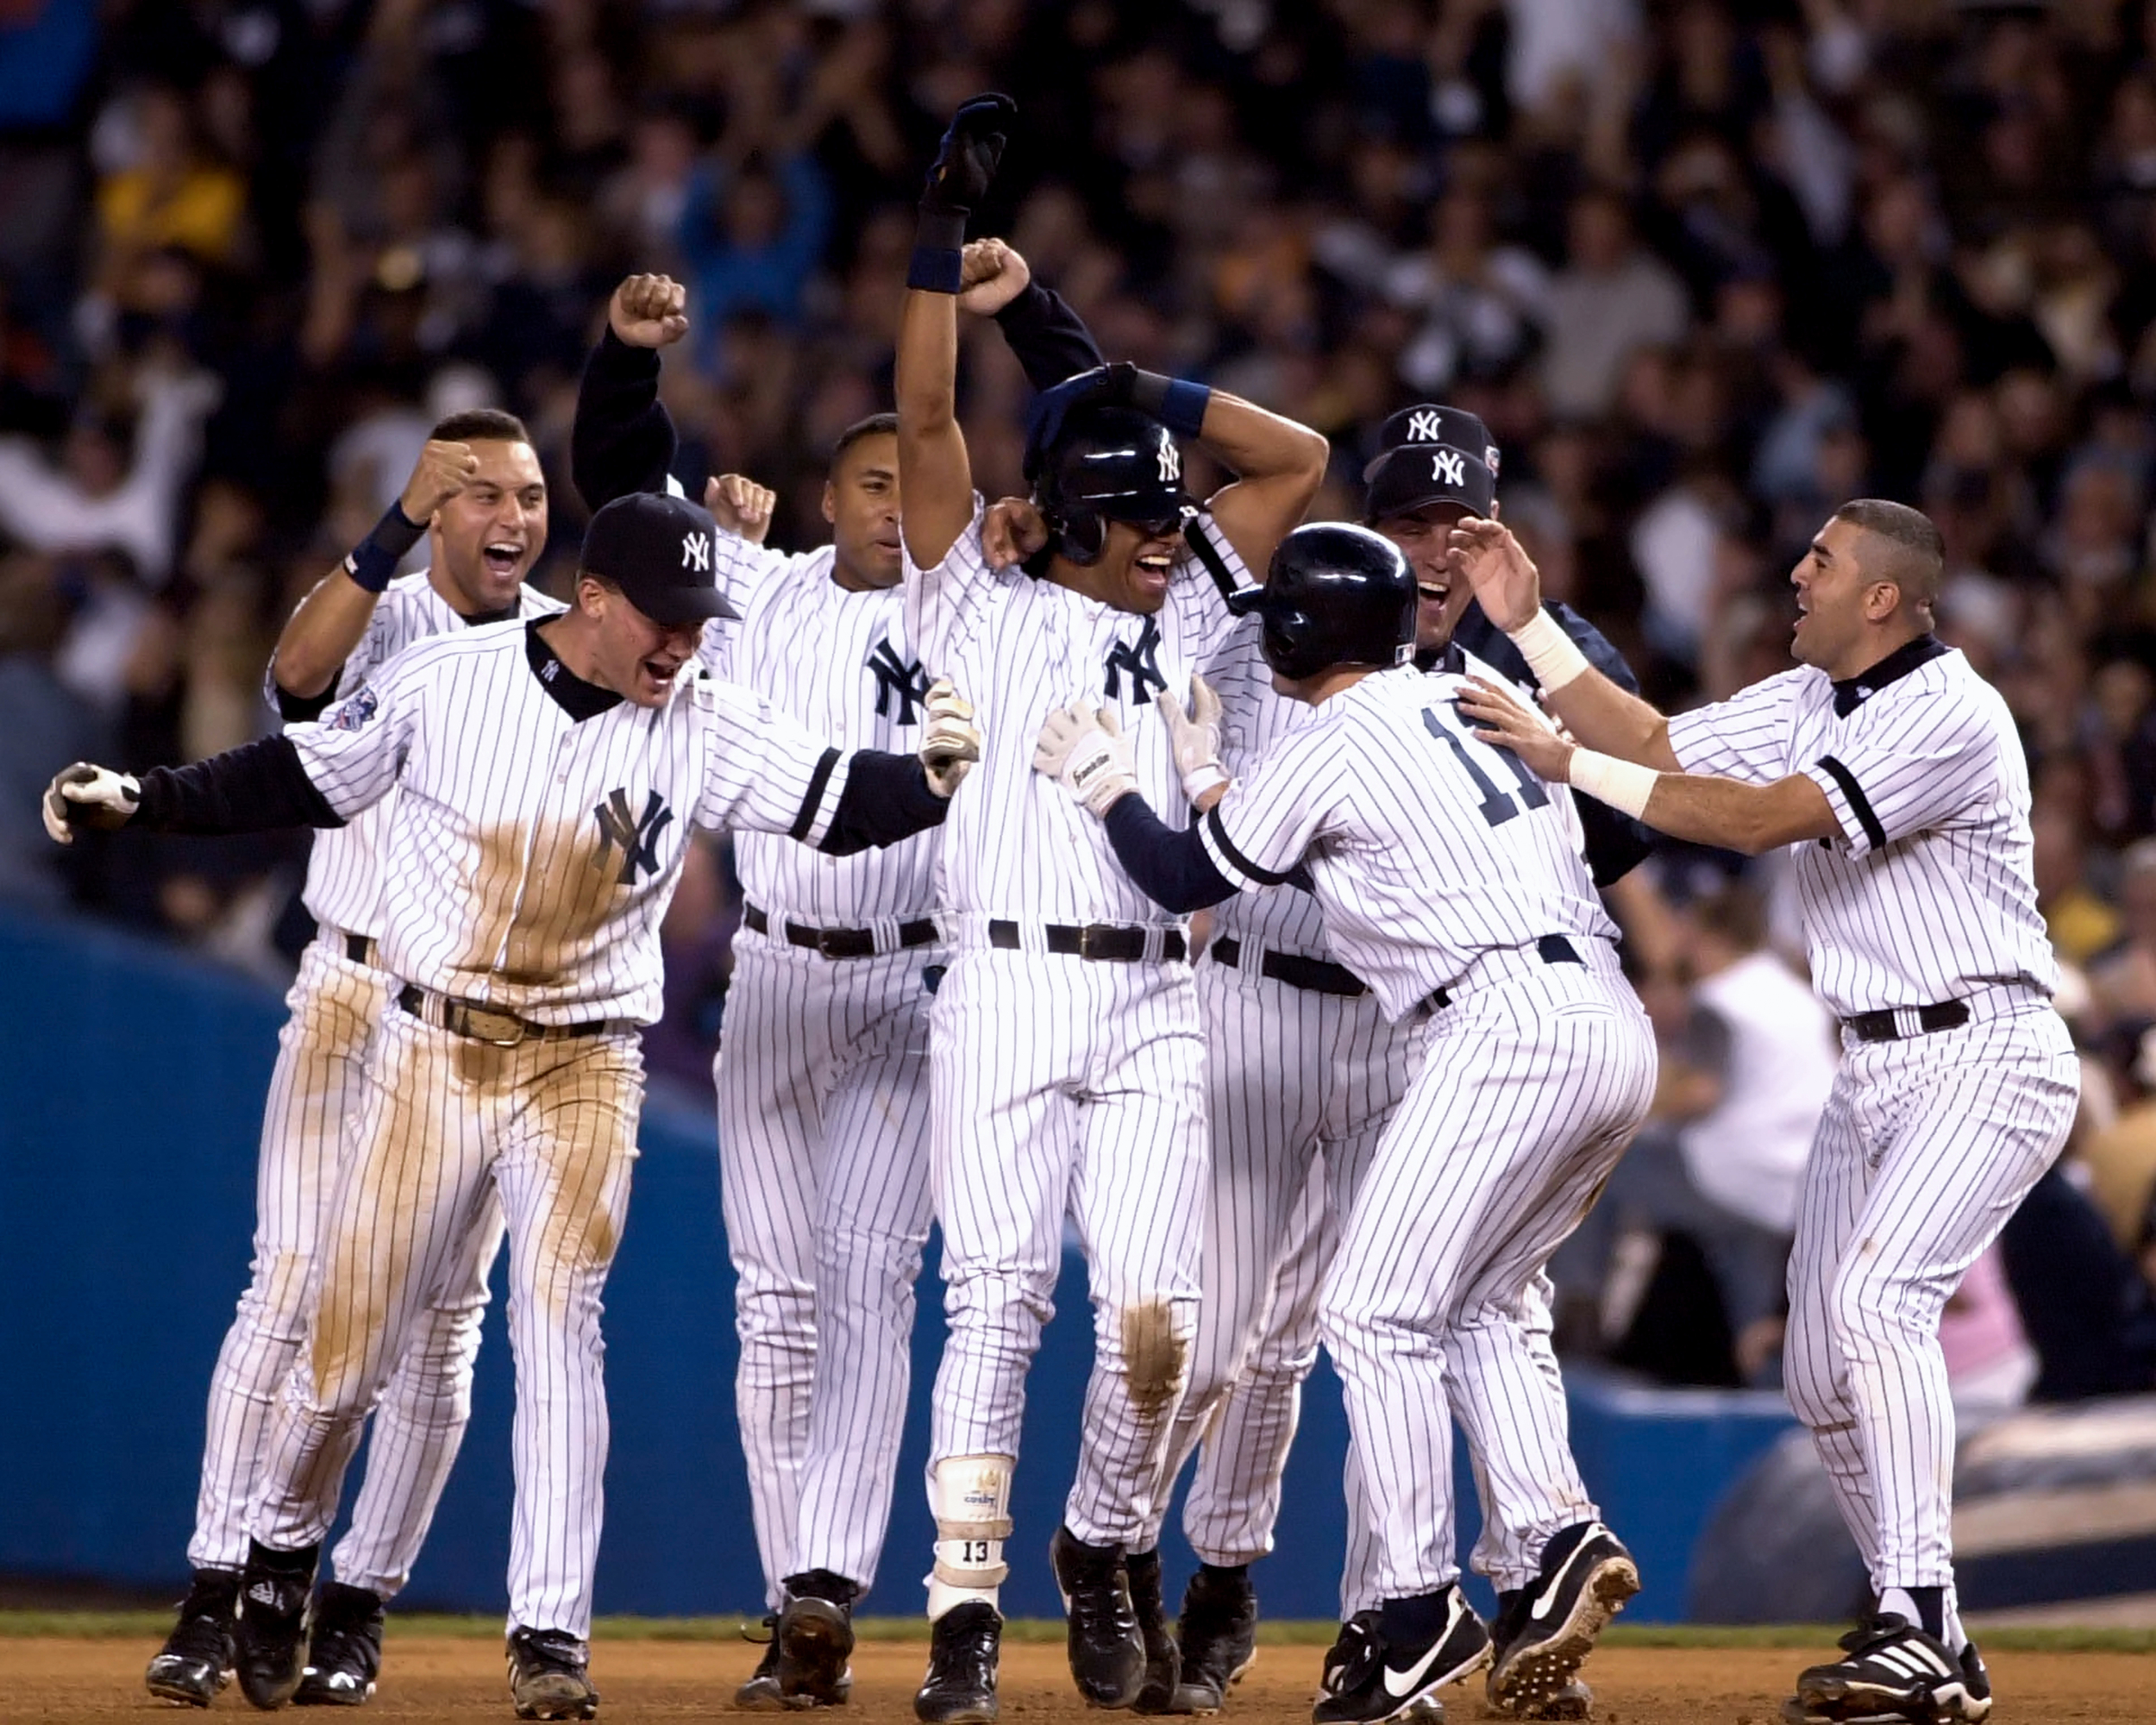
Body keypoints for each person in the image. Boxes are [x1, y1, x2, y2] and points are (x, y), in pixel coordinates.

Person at [43, 489, 982, 1722]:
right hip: (430, 1055)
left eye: (700, 621)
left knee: (560, 1337)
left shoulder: (699, 713)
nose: (684, 643)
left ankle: (551, 1636)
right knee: (343, 1361)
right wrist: (151, 795)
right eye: (664, 617)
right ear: (594, 600)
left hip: (586, 1064)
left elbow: (834, 799)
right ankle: (277, 1562)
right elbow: (304, 772)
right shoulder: (451, 682)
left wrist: (931, 777)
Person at [568, 258, 1105, 1710]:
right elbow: (622, 491)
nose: (888, 501)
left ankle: (823, 1591)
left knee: (870, 1292)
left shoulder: (973, 599)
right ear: (822, 501)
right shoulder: (755, 593)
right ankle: (789, 1596)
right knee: (773, 1307)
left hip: (911, 992)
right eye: (864, 481)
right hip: (775, 979)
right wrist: (628, 363)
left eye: (902, 480)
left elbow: (1048, 468)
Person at [1456, 499, 2078, 1725]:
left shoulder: (1950, 710)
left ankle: (1922, 1622)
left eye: (1823, 562)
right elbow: (1667, 747)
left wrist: (1564, 762)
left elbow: (1754, 820)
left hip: (1986, 1048)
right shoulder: (1806, 698)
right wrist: (1530, 630)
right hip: (1872, 1065)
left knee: (1873, 1303)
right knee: (1813, 1368)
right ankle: (1919, 1620)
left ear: (1884, 599)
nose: (1797, 573)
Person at [1034, 520, 1655, 1724]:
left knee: (1373, 1313)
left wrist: (1113, 786)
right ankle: (1553, 1537)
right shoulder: (1468, 687)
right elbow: (1385, 857)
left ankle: (1415, 1608)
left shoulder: (1329, 738)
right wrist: (1223, 787)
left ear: (1306, 630)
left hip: (1497, 1025)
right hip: (1605, 1017)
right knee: (1474, 1303)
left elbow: (1179, 876)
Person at [893, 95, 1326, 1723]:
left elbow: (1291, 457)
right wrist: (937, 239)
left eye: (1171, 510)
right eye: (1142, 513)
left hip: (1158, 993)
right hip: (1002, 991)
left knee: (1163, 1320)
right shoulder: (983, 600)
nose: (1171, 531)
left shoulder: (1207, 598)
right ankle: (959, 1622)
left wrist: (1109, 368)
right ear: (1065, 519)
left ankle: (1096, 1542)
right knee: (995, 1304)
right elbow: (925, 417)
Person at [144, 411, 559, 1708]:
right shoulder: (381, 606)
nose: (511, 514)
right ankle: (216, 1590)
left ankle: (360, 1603)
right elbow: (299, 682)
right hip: (352, 986)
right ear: (434, 505)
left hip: (487, 1018)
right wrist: (384, 531)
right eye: (478, 490)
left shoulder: (563, 637)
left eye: (530, 493)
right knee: (290, 1291)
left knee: (440, 1334)